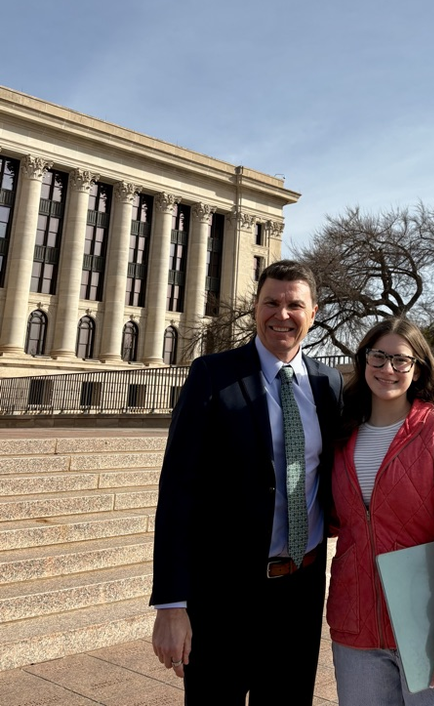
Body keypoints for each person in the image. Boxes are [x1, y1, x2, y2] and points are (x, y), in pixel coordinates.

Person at [150, 259, 342, 706]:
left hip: (302, 587)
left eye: (295, 304)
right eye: (271, 302)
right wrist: (171, 604)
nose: (282, 314)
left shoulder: (327, 383)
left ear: (313, 312)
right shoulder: (212, 375)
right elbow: (178, 490)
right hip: (223, 593)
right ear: (255, 308)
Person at [326, 317, 434, 706]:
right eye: (378, 357)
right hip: (358, 637)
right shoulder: (341, 437)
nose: (387, 368)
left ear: (417, 368)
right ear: (363, 361)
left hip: (433, 632)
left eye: (400, 360)